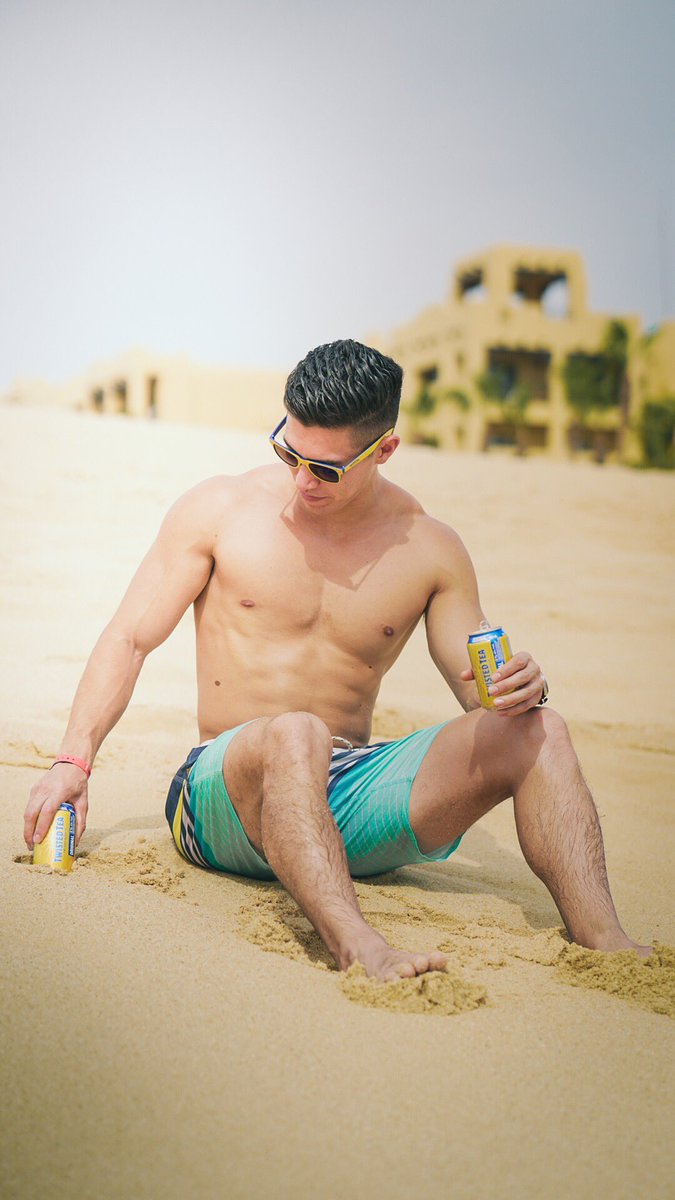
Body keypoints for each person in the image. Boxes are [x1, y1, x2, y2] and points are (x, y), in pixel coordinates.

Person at [24, 340, 650, 979]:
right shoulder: (220, 510)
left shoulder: (429, 548)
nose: (301, 480)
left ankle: (608, 945)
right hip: (225, 799)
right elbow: (129, 638)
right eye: (289, 453)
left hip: (344, 801)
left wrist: (518, 690)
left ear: (384, 450)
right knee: (298, 731)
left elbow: (483, 700)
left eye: (325, 469)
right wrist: (73, 762)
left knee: (541, 731)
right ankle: (360, 947)